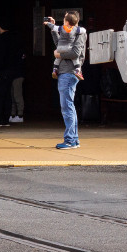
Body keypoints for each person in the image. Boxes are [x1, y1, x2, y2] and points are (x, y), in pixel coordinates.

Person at [44, 12, 87, 149]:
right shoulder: (67, 33)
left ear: (69, 21)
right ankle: (74, 139)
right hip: (65, 72)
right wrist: (52, 29)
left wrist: (59, 54)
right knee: (69, 106)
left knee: (66, 106)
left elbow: (75, 52)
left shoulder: (79, 33)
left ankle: (69, 140)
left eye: (64, 19)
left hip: (69, 72)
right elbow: (59, 44)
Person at [0, 21, 21, 127]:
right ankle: (6, 119)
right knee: (7, 96)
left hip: (1, 72)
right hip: (11, 71)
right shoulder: (14, 39)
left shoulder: (1, 39)